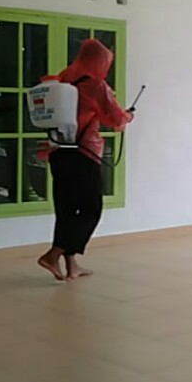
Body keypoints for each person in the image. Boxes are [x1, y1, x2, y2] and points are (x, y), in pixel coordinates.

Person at [36, 39, 133, 281]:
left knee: (67, 209)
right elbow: (115, 118)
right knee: (91, 209)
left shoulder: (63, 78)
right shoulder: (96, 85)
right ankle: (53, 255)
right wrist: (128, 117)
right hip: (84, 153)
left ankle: (72, 266)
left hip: (58, 151)